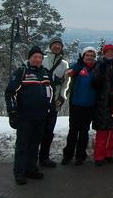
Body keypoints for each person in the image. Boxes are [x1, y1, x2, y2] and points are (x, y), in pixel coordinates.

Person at [5, 46, 52, 185]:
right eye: (34, 57)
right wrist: (12, 111)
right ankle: (19, 172)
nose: (37, 59)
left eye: (40, 57)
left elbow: (50, 93)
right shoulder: (22, 72)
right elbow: (10, 92)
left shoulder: (44, 73)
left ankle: (31, 169)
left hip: (41, 117)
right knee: (22, 146)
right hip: (25, 117)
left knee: (34, 145)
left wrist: (49, 110)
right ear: (29, 58)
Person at [61, 47, 98, 166]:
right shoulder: (77, 67)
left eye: (92, 56)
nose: (90, 57)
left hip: (90, 105)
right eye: (87, 55)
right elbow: (67, 73)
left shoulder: (97, 68)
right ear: (83, 56)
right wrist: (78, 65)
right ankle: (68, 155)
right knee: (73, 131)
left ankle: (80, 155)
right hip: (76, 104)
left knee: (84, 132)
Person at [91, 44, 113, 166]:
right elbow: (94, 83)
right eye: (108, 52)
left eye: (112, 52)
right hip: (102, 102)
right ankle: (99, 156)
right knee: (102, 131)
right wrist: (99, 75)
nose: (110, 54)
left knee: (111, 130)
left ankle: (108, 154)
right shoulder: (99, 65)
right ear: (104, 53)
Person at [39, 36, 70, 168]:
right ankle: (32, 156)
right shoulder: (42, 60)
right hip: (39, 102)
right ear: (50, 46)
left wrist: (62, 98)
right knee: (37, 130)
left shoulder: (64, 64)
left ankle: (44, 157)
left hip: (54, 103)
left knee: (49, 131)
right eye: (55, 44)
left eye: (59, 45)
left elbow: (66, 83)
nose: (57, 47)